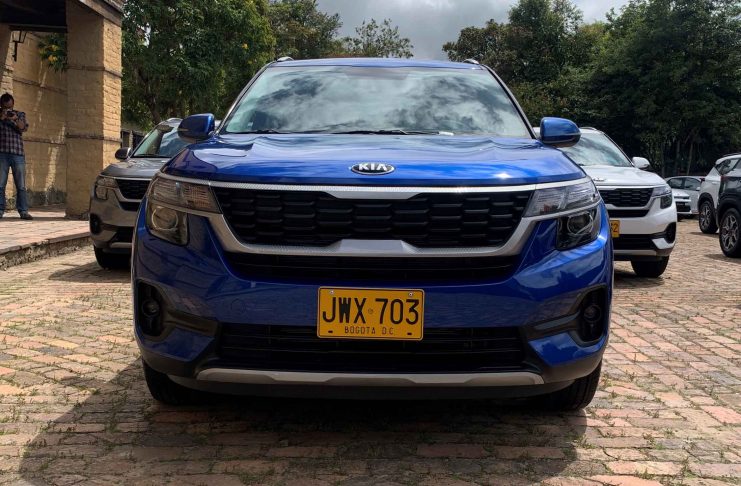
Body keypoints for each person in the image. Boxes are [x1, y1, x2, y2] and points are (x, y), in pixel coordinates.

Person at [0, 92, 32, 220]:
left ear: (13, 104)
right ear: (1, 106)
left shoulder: (19, 114)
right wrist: (2, 117)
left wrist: (14, 119)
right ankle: (0, 210)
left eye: (10, 107)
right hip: (2, 153)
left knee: (21, 185)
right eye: (6, 108)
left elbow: (23, 128)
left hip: (18, 154)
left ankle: (23, 211)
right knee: (0, 184)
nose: (8, 110)